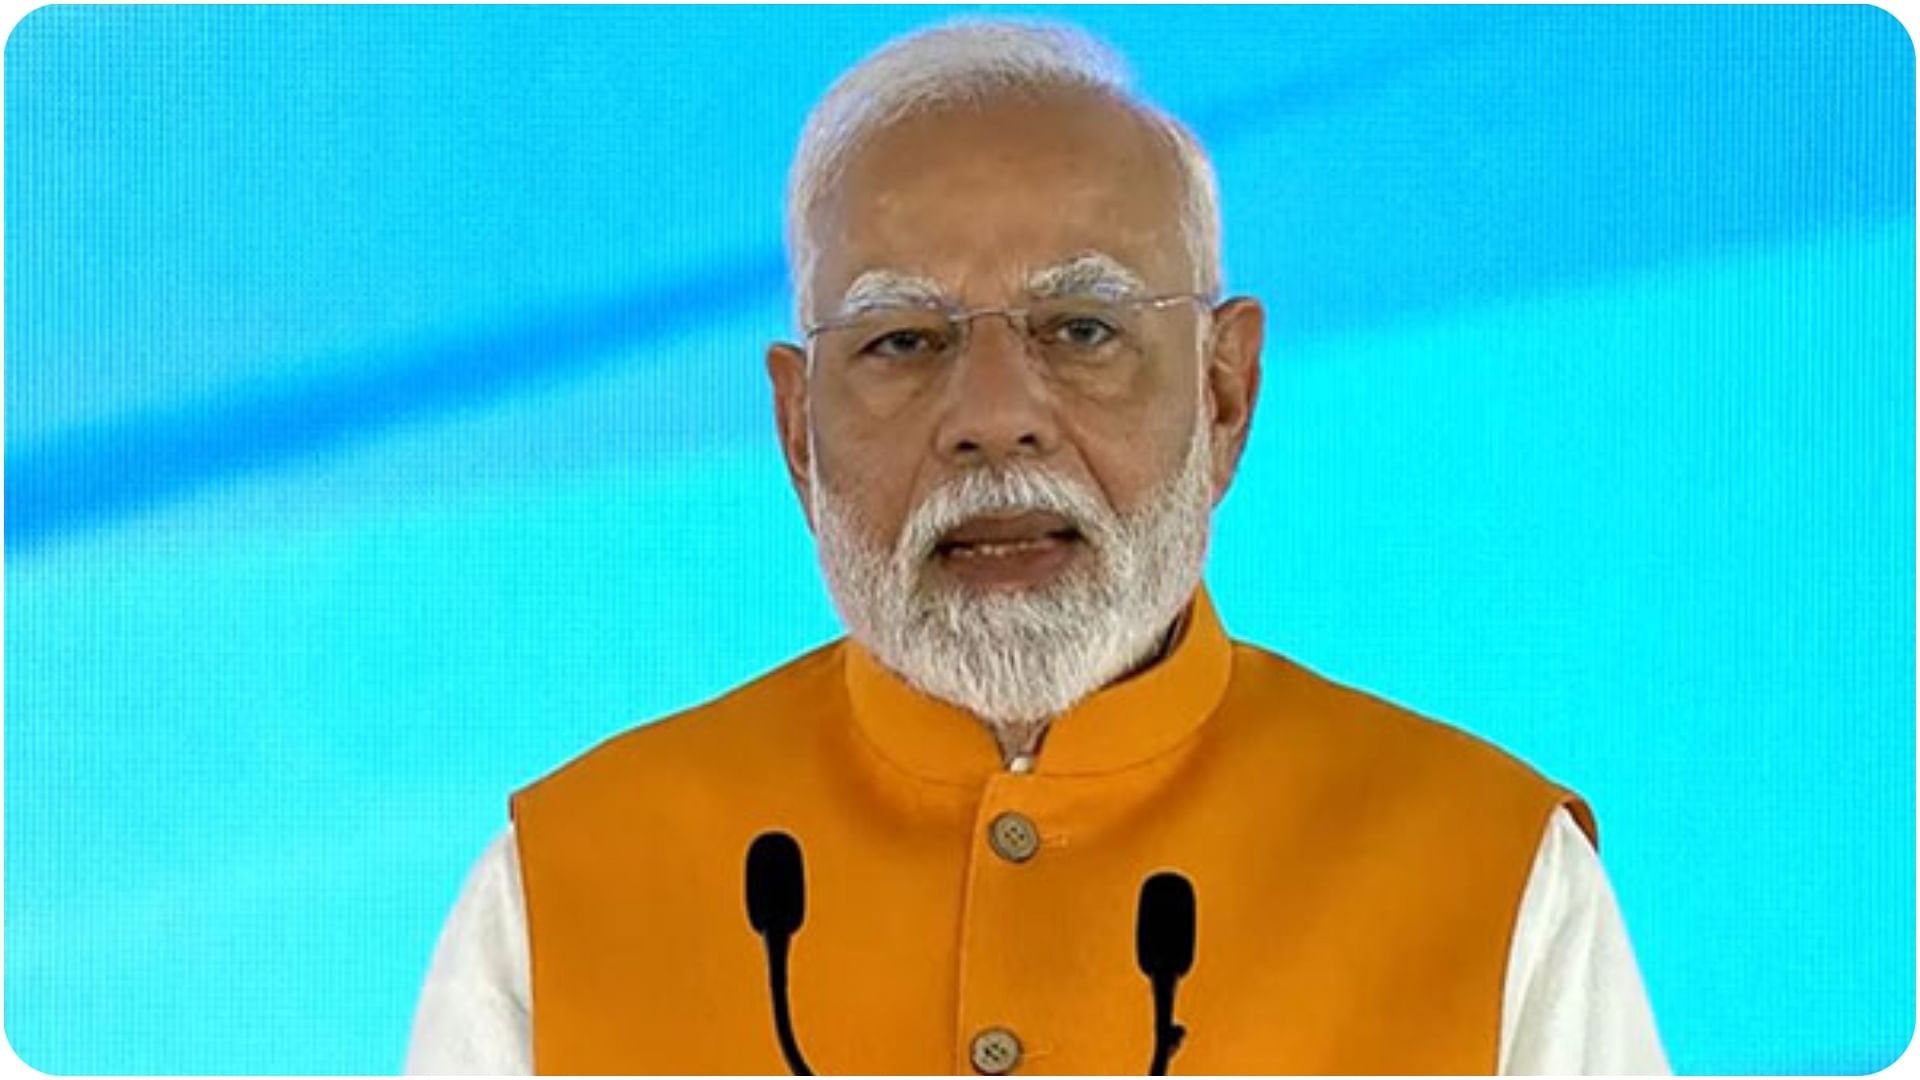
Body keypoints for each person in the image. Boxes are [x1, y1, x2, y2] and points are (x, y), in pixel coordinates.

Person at [406, 19, 1668, 1075]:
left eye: (1081, 328)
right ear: (797, 430)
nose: (994, 416)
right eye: (903, 339)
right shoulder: (564, 897)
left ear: (1226, 394)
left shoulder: (1492, 882)